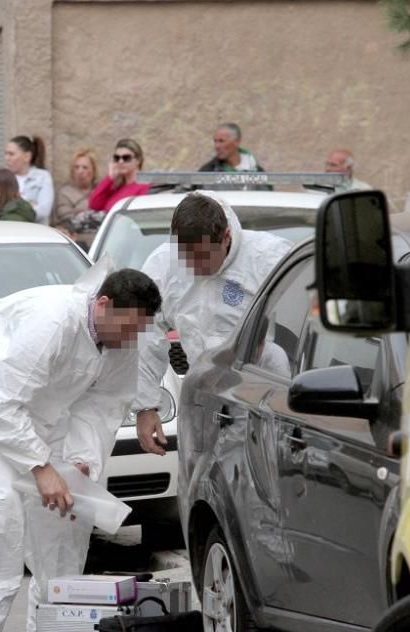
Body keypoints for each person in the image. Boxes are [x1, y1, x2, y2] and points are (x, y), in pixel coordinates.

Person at [0, 265, 162, 632]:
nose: (131, 339)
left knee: (65, 520)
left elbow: (103, 405)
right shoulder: (52, 323)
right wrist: (40, 467)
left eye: (139, 331)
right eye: (128, 327)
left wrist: (80, 459)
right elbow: (0, 403)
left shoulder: (123, 340)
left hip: (49, 408)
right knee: (0, 506)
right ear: (104, 305)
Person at [134, 193, 292, 454]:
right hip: (202, 404)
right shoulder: (163, 265)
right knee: (202, 489)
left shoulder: (269, 258)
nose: (194, 266)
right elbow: (144, 336)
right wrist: (146, 406)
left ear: (226, 237)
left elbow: (299, 332)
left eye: (203, 256)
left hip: (264, 405)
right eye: (187, 257)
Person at [87, 139, 150, 213]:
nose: (121, 162)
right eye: (117, 158)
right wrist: (110, 178)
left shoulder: (144, 187)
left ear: (138, 160)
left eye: (126, 158)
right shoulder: (117, 187)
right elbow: (94, 205)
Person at [5, 135, 54, 223]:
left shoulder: (42, 177)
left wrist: (17, 208)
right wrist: (29, 205)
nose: (7, 158)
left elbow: (44, 211)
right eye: (6, 154)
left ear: (27, 157)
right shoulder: (4, 177)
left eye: (11, 154)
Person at [54, 148, 98, 226]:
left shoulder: (101, 191)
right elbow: (66, 217)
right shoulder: (65, 193)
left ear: (93, 171)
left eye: (85, 167)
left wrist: (77, 211)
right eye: (76, 167)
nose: (80, 172)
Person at [198, 123, 264, 172]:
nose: (216, 146)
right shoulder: (207, 172)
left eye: (221, 141)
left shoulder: (258, 173)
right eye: (215, 141)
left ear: (237, 142)